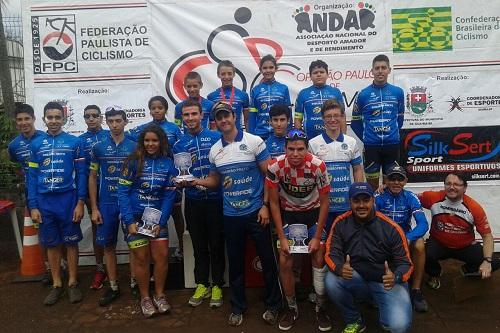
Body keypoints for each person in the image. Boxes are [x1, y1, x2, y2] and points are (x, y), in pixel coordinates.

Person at [191, 101, 281, 327]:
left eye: (226, 116)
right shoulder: (215, 150)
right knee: (236, 264)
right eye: (219, 117)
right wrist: (195, 182)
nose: (223, 120)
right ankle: (238, 307)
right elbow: (214, 181)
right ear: (215, 121)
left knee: (268, 261)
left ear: (234, 116)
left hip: (256, 212)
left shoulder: (254, 141)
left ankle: (273, 305)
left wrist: (265, 206)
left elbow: (270, 176)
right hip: (230, 215)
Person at [325, 182, 413, 333]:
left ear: (373, 201)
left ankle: (380, 304)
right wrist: (339, 268)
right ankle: (354, 320)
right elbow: (331, 254)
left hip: (386, 282)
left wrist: (396, 276)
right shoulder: (340, 223)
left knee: (398, 326)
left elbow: (406, 264)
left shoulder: (391, 228)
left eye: (366, 200)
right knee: (331, 280)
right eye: (356, 201)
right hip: (357, 278)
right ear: (349, 202)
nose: (361, 205)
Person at [266, 129, 332, 331]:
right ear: (284, 149)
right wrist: (281, 237)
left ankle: (321, 308)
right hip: (289, 216)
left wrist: (317, 235)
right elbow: (274, 204)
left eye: (300, 149)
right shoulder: (275, 166)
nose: (295, 154)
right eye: (291, 149)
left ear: (307, 149)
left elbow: (325, 202)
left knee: (319, 257)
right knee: (285, 259)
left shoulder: (318, 165)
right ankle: (291, 308)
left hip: (313, 214)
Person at [28, 101, 87, 305]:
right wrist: (33, 206)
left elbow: (81, 175)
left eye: (57, 117)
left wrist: (80, 202)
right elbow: (32, 177)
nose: (53, 121)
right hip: (44, 202)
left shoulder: (74, 142)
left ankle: (72, 282)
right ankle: (56, 284)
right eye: (50, 117)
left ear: (64, 119)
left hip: (68, 200)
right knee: (51, 244)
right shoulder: (35, 144)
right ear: (44, 118)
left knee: (71, 242)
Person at [117, 124, 177, 317]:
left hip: (156, 219)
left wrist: (162, 221)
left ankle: (159, 295)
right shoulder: (132, 162)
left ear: (161, 142)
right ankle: (145, 297)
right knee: (142, 259)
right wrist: (128, 221)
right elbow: (123, 193)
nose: (151, 144)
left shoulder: (168, 163)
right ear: (142, 142)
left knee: (161, 258)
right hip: (135, 218)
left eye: (155, 140)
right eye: (147, 140)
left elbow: (169, 196)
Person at [173, 99, 225, 308]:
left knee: (217, 244)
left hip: (216, 200)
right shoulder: (178, 144)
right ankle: (202, 283)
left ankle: (218, 285)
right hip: (193, 201)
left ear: (202, 115)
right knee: (198, 245)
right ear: (182, 118)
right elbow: (179, 174)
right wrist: (178, 183)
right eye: (186, 115)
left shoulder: (216, 138)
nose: (190, 118)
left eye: (194, 114)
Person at [89, 107, 136, 306]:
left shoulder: (135, 146)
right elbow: (92, 178)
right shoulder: (98, 147)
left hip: (129, 203)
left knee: (135, 244)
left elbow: (140, 176)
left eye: (118, 121)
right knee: (108, 246)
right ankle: (114, 286)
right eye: (111, 121)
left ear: (125, 122)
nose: (115, 125)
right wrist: (95, 207)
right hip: (106, 203)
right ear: (105, 122)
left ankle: (135, 282)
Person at [418, 173, 500, 289]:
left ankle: (466, 270)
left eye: (457, 184)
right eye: (448, 184)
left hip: (465, 247)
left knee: (494, 262)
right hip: (438, 243)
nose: (452, 187)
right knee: (421, 252)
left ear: (465, 188)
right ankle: (434, 274)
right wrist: (386, 189)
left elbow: (487, 236)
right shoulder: (432, 197)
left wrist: (487, 261)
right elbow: (408, 197)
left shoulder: (474, 207)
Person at [128, 96, 185, 260]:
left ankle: (181, 248)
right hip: (150, 178)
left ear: (166, 109)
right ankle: (152, 257)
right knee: (150, 212)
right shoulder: (144, 128)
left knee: (175, 213)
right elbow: (129, 138)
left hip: (169, 176)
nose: (157, 110)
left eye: (160, 107)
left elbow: (180, 151)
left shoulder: (174, 128)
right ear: (150, 110)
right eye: (153, 108)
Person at [374, 165, 429, 313]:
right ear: (386, 180)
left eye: (400, 179)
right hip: (382, 237)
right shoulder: (378, 197)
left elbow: (423, 224)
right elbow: (370, 223)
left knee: (420, 244)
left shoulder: (411, 197)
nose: (396, 182)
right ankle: (372, 286)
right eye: (392, 178)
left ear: (405, 181)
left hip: (404, 236)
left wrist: (408, 237)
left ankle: (416, 289)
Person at [309, 98, 364, 233]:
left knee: (346, 242)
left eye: (336, 115)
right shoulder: (313, 143)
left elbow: (357, 169)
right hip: (323, 206)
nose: (333, 119)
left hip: (346, 205)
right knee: (324, 243)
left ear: (342, 117)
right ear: (322, 118)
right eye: (328, 116)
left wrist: (357, 195)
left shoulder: (351, 142)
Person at [351, 54, 405, 190]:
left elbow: (400, 119)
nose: (380, 71)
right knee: (372, 186)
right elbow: (355, 122)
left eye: (383, 67)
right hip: (371, 147)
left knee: (392, 185)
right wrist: (367, 137)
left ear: (389, 70)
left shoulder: (398, 92)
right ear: (372, 71)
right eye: (377, 68)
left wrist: (392, 134)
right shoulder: (363, 94)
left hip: (392, 145)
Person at [8, 103, 48, 282]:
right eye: (19, 120)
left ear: (33, 119)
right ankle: (48, 267)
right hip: (32, 194)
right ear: (16, 123)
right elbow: (18, 168)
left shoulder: (46, 138)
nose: (24, 122)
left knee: (55, 228)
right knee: (41, 231)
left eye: (27, 118)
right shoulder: (14, 146)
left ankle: (62, 264)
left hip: (50, 191)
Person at [78, 105, 109, 290]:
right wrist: (86, 197)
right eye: (87, 116)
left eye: (94, 116)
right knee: (97, 227)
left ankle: (134, 271)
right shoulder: (80, 141)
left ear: (100, 117)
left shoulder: (110, 134)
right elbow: (82, 172)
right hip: (94, 191)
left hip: (115, 189)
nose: (91, 119)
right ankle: (100, 268)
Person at [294, 59, 344, 139]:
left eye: (322, 72)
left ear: (327, 74)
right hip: (310, 138)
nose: (319, 75)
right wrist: (299, 139)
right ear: (310, 76)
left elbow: (342, 117)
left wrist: (343, 137)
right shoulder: (303, 93)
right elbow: (298, 119)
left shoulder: (336, 92)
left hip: (333, 137)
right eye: (315, 73)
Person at [248, 54, 291, 140]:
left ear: (276, 69)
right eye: (265, 68)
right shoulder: (255, 90)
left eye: (271, 67)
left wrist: (288, 132)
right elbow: (252, 115)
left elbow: (288, 113)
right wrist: (251, 135)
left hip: (280, 133)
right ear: (260, 70)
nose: (268, 70)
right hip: (260, 133)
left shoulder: (283, 88)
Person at [207, 60, 250, 131]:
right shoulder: (211, 97)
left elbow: (247, 120)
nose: (226, 77)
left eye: (229, 73)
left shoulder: (243, 95)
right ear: (218, 74)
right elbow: (212, 123)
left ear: (234, 74)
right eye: (223, 74)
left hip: (238, 136)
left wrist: (249, 138)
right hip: (219, 137)